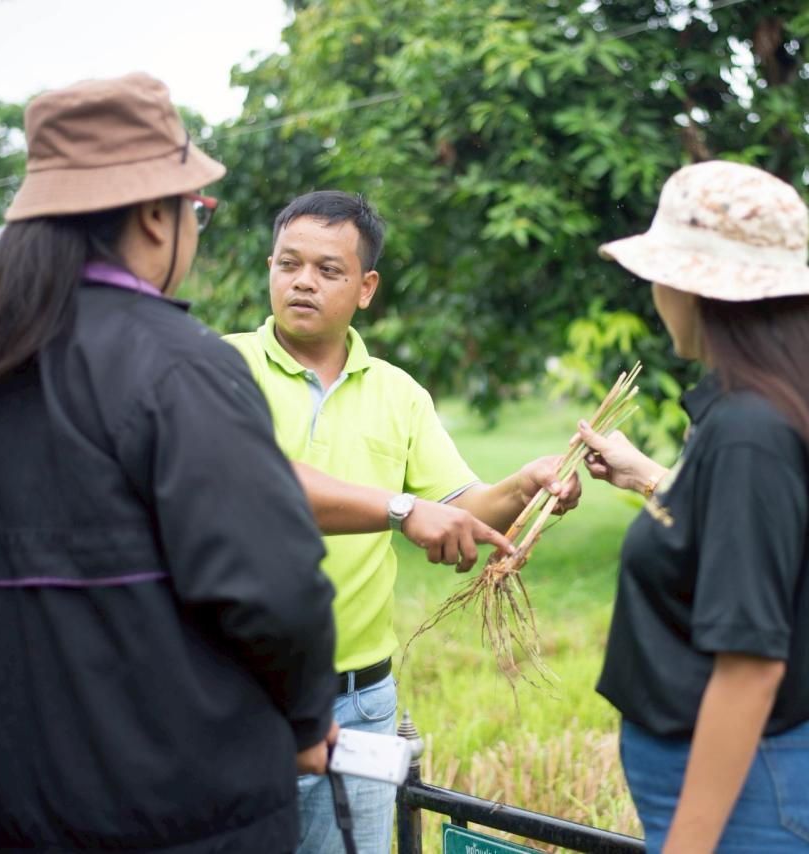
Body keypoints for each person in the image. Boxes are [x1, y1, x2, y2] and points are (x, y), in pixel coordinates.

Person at [0, 73, 339, 852]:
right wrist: (303, 725)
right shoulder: (180, 365)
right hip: (158, 819)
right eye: (196, 210)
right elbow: (279, 590)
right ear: (158, 216)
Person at [224, 190, 581, 854]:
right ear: (269, 268)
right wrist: (400, 508)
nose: (303, 281)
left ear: (366, 288)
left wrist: (523, 486)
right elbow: (252, 484)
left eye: (328, 269)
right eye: (289, 264)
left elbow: (459, 506)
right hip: (230, 689)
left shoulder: (399, 393)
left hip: (360, 699)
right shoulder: (219, 369)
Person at [577, 161, 809, 853]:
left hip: (749, 805)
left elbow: (750, 667)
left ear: (693, 286)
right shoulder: (759, 412)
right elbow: (741, 542)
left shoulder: (749, 434)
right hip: (749, 794)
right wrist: (650, 477)